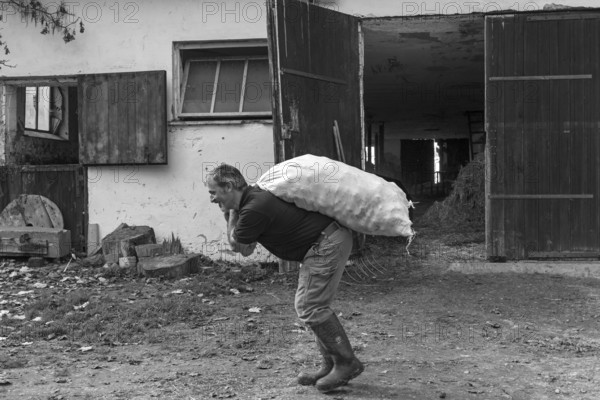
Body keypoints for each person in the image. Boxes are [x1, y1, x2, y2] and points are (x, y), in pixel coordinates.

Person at [206, 163, 364, 392]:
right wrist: (232, 212)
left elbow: (238, 246)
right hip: (326, 242)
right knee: (313, 306)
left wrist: (227, 213)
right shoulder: (251, 204)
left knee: (310, 306)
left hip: (326, 244)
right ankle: (330, 364)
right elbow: (247, 249)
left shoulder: (253, 208)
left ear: (229, 186)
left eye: (213, 192)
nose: (211, 199)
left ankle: (346, 363)